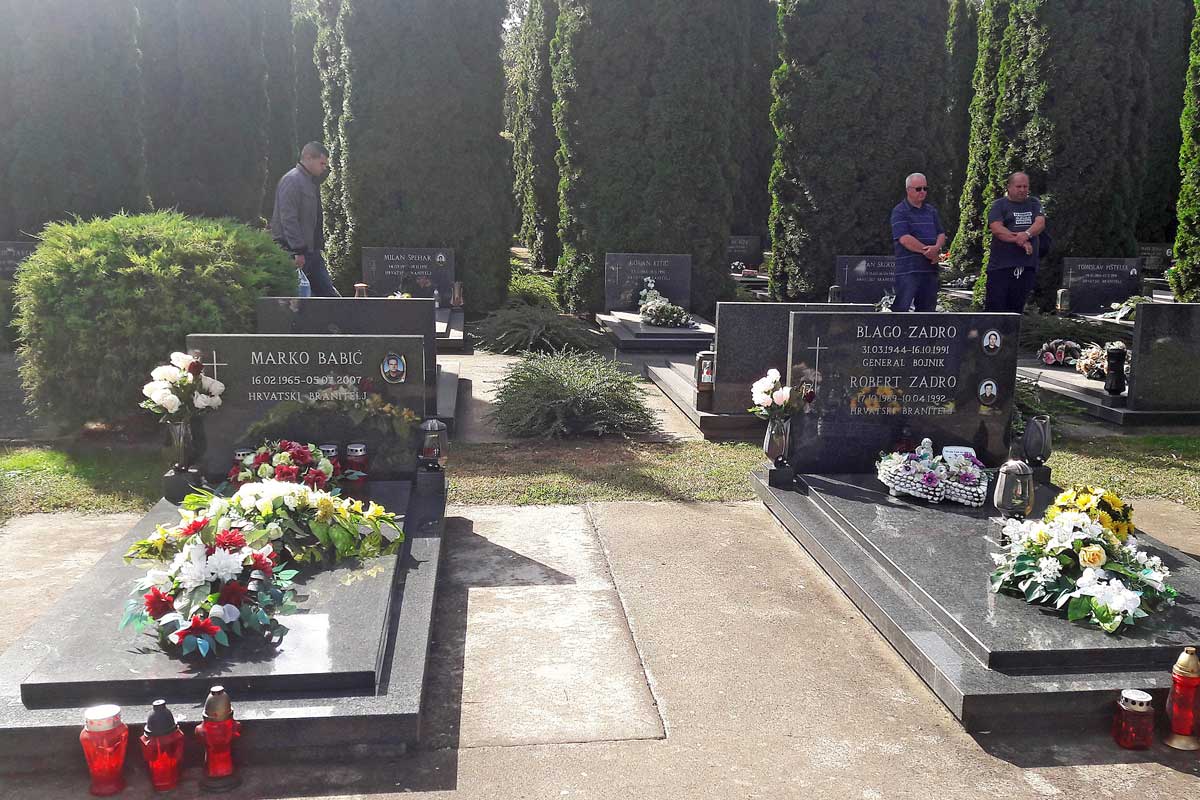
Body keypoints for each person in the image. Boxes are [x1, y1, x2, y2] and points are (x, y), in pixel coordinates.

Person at [270, 142, 337, 297]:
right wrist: (298, 250)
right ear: (308, 158)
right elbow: (288, 218)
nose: (324, 168)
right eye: (321, 163)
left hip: (311, 252)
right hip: (294, 252)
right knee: (299, 300)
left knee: (329, 296)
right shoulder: (292, 181)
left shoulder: (309, 182)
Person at [985, 171, 1046, 313]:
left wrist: (1026, 234)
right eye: (1018, 186)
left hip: (1026, 266)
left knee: (1016, 310)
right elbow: (997, 229)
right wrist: (1020, 241)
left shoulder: (1034, 203)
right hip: (1001, 267)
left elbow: (1040, 223)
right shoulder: (999, 205)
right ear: (1009, 187)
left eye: (1025, 186)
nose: (1022, 190)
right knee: (996, 309)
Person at [890, 173, 946, 312]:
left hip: (929, 269)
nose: (922, 192)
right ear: (908, 190)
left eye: (925, 188)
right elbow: (905, 239)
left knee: (927, 311)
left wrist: (936, 248)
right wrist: (928, 252)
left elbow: (941, 233)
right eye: (918, 189)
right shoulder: (899, 211)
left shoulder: (931, 211)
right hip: (909, 270)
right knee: (902, 309)